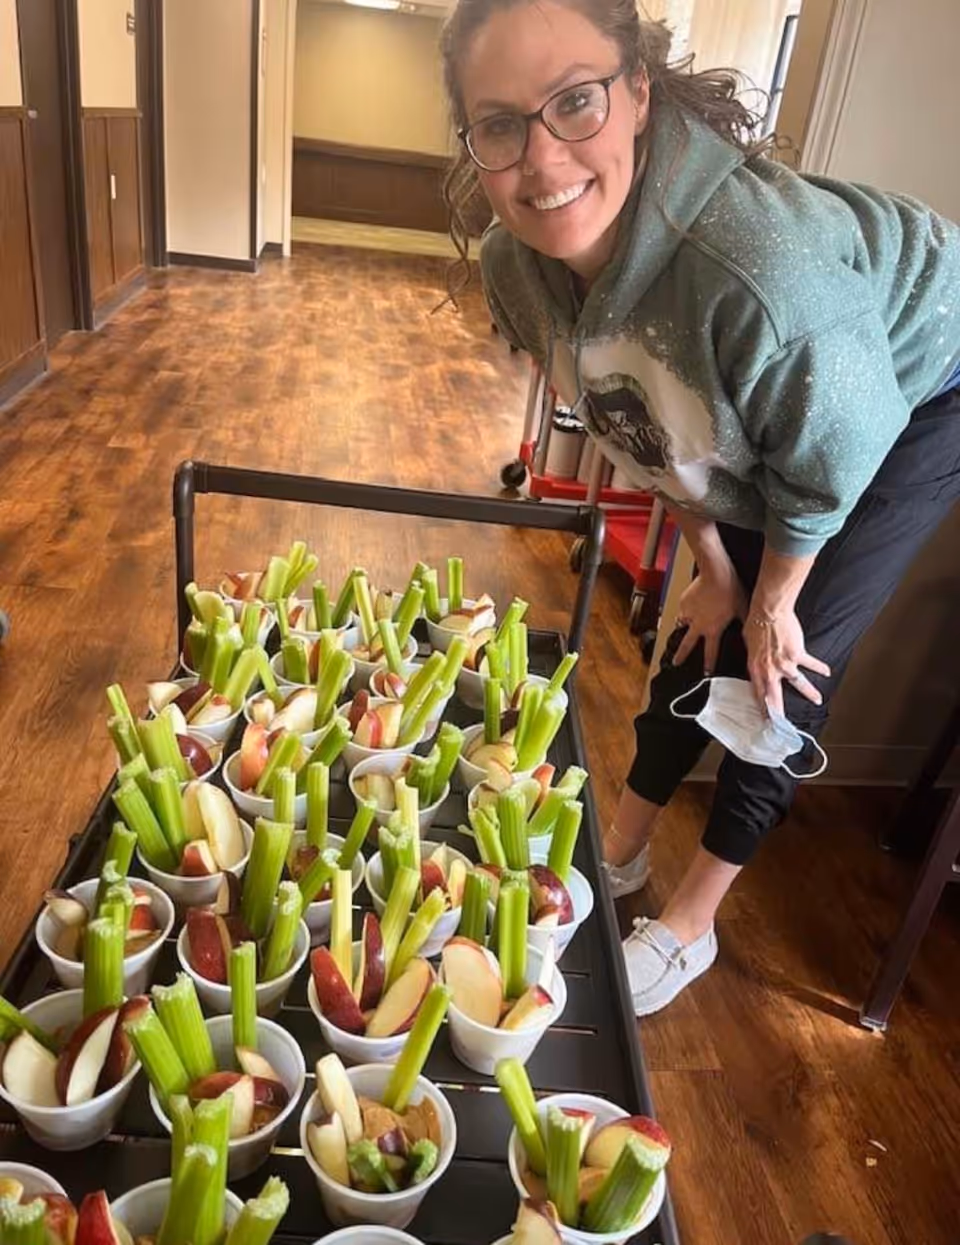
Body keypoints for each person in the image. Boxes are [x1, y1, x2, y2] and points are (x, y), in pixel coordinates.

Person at [439, 0, 960, 1015]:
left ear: (637, 91)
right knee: (702, 624)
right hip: (800, 394)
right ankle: (621, 846)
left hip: (919, 384)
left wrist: (773, 601)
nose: (542, 160)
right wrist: (719, 574)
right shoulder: (518, 266)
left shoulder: (761, 273)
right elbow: (643, 427)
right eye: (499, 123)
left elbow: (828, 458)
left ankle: (692, 925)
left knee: (785, 668)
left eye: (574, 102)